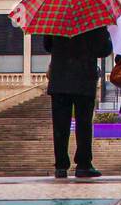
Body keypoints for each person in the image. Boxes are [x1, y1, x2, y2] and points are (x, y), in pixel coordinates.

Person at [44, 26, 113, 179]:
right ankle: (83, 164)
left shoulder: (55, 18)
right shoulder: (94, 21)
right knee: (84, 124)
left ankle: (61, 166)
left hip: (60, 78)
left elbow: (47, 45)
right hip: (84, 78)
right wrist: (105, 33)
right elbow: (105, 49)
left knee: (60, 126)